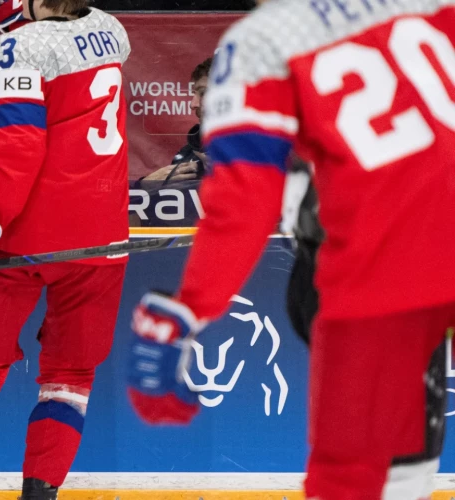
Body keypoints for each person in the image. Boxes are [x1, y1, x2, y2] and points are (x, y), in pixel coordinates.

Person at [124, 0, 455, 498]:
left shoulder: (265, 40)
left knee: (355, 478)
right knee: (405, 464)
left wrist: (188, 309)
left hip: (373, 278)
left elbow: (243, 203)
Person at [0, 0, 131, 498]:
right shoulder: (111, 30)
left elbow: (18, 150)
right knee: (70, 376)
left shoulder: (19, 48)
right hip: (103, 238)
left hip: (25, 237)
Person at [134, 56, 212, 189]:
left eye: (203, 93)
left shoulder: (256, 154)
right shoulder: (190, 152)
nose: (193, 104)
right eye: (194, 94)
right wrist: (144, 187)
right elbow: (168, 205)